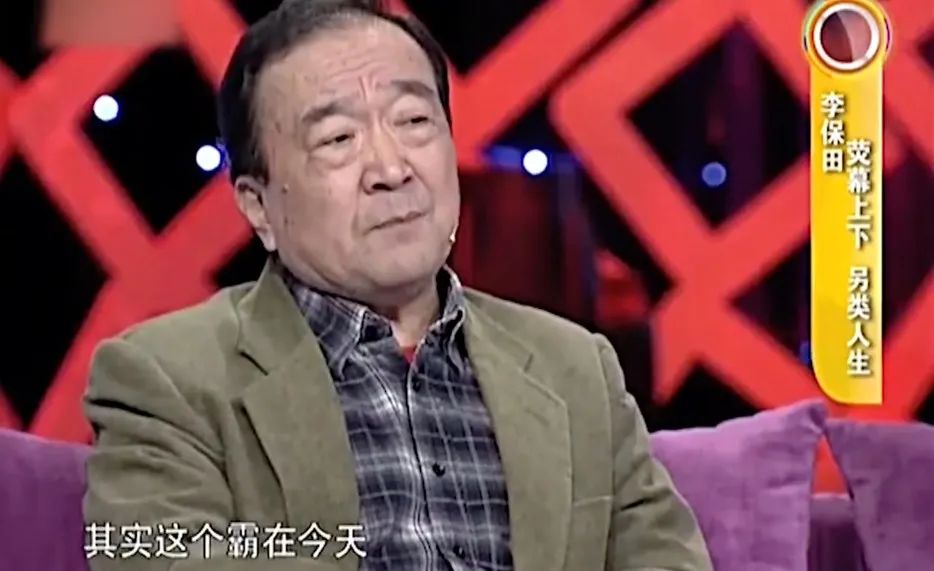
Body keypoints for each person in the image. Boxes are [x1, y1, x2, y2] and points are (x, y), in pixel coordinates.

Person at [82, 1, 712, 570]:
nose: (391, 168)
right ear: (258, 206)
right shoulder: (165, 378)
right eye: (337, 139)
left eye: (414, 120)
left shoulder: (575, 367)